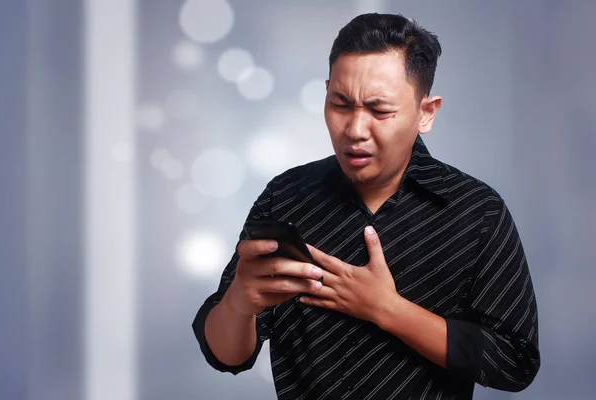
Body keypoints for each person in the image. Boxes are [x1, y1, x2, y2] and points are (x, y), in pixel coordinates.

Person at [192, 13, 540, 399]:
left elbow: (515, 362)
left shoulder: (478, 212)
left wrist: (388, 309)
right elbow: (226, 357)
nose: (355, 130)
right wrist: (240, 303)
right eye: (340, 104)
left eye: (379, 111)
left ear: (426, 112)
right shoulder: (285, 196)